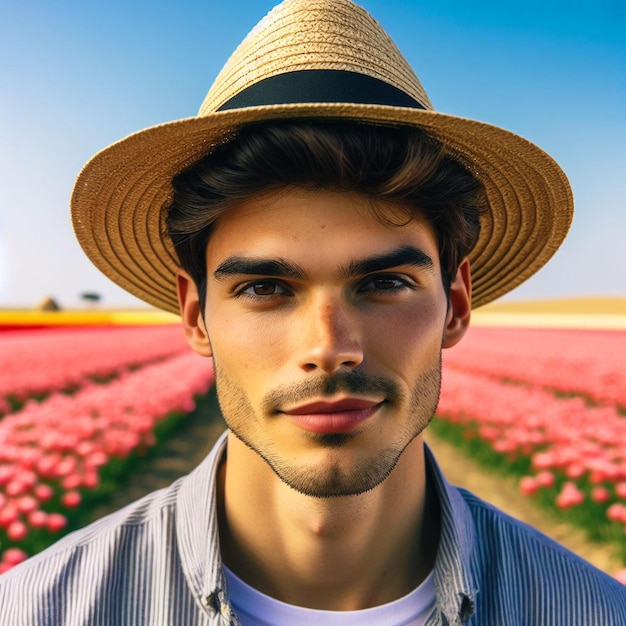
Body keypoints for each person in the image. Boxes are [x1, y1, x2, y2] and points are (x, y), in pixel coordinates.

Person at [1, 0, 624, 624]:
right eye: (265, 289)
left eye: (383, 282)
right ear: (195, 316)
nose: (329, 346)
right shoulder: (42, 610)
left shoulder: (587, 611)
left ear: (456, 305)